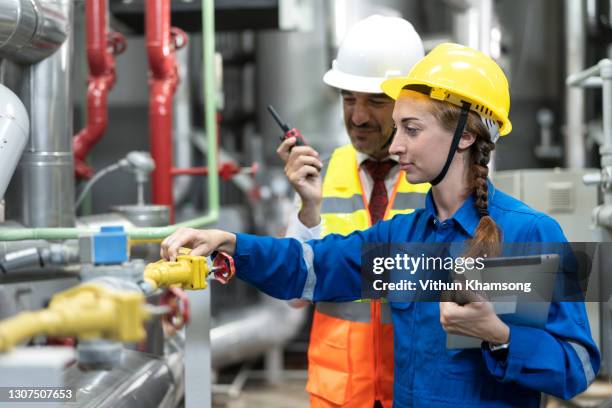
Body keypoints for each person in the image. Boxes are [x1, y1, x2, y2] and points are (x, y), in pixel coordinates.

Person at [161, 43, 600, 407]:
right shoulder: (401, 236)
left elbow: (576, 366)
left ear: (465, 136)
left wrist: (499, 335)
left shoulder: (529, 235)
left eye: (411, 129)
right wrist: (230, 242)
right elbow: (309, 266)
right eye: (397, 129)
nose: (397, 146)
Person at [277, 15, 428, 408]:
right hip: (340, 394)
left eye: (375, 102)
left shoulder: (440, 179)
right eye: (349, 99)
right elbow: (293, 296)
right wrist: (308, 208)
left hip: (414, 391)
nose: (358, 117)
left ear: (409, 103)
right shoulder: (321, 176)